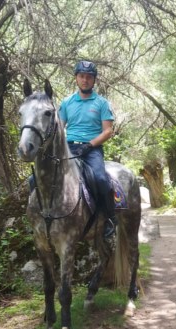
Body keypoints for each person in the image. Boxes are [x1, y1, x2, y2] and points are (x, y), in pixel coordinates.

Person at [58, 60, 117, 239]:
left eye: (89, 77)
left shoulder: (102, 103)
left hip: (92, 149)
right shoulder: (66, 102)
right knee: (38, 178)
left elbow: (108, 131)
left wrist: (89, 145)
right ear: (76, 78)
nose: (85, 80)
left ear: (94, 80)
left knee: (100, 178)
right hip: (68, 148)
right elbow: (59, 128)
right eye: (82, 76)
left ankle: (109, 219)